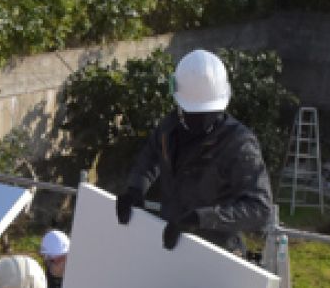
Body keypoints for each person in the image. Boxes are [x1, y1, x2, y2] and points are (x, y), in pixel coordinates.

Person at [116, 49, 273, 255]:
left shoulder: (238, 144)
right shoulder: (170, 127)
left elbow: (259, 208)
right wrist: (135, 188)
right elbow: (151, 156)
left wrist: (201, 219)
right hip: (170, 243)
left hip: (217, 254)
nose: (195, 119)